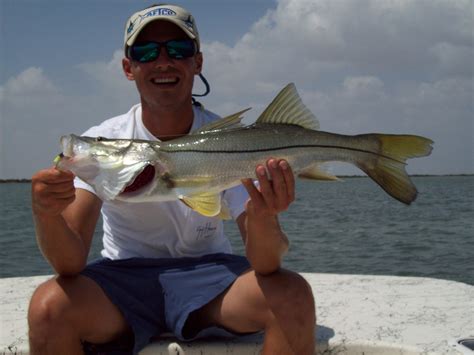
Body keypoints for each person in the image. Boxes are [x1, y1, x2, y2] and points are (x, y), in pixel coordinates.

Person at [28, 4, 316, 355]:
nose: (163, 61)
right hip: (124, 279)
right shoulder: (102, 141)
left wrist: (265, 214)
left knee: (293, 296)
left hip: (212, 277)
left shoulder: (232, 143)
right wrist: (47, 213)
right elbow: (69, 263)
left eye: (178, 50)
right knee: (48, 308)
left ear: (197, 62)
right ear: (128, 67)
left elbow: (267, 263)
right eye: (146, 52)